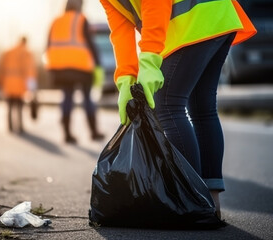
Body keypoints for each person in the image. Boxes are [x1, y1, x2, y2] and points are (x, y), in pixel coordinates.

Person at [99, 0, 256, 218]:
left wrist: (150, 58)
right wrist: (125, 78)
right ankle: (210, 203)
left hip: (195, 20)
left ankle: (192, 202)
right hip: (218, 16)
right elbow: (120, 28)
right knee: (203, 108)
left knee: (168, 106)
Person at [46, 0, 105, 144]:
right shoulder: (81, 19)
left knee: (67, 98)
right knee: (87, 98)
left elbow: (48, 45)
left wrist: (51, 67)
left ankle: (67, 134)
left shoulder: (56, 21)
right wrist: (98, 63)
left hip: (61, 68)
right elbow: (90, 43)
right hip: (81, 67)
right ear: (78, 5)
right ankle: (94, 132)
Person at [0, 36, 37, 134]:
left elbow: (1, 69)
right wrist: (32, 88)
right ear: (26, 42)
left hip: (9, 86)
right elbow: (30, 72)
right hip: (20, 87)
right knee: (19, 107)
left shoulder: (8, 52)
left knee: (10, 107)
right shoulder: (27, 54)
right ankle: (20, 126)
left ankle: (10, 126)